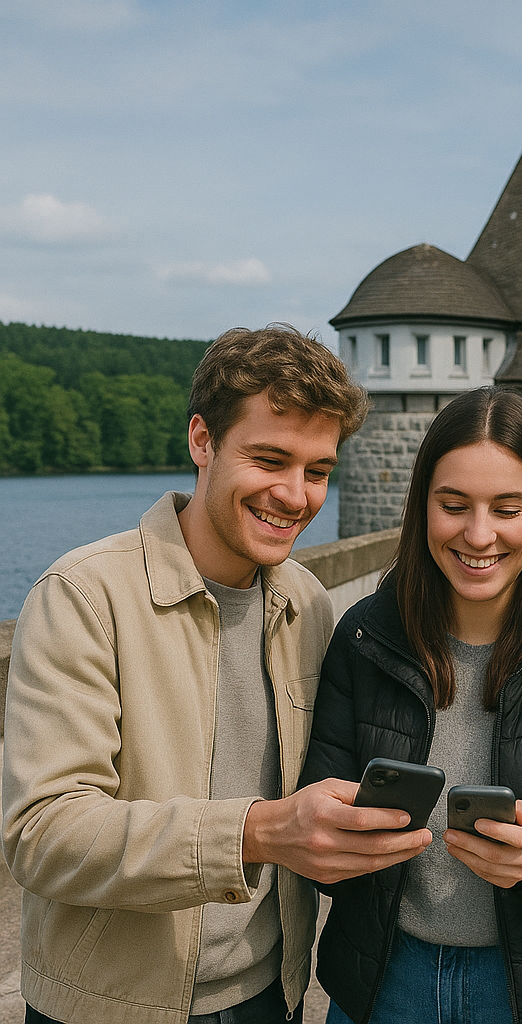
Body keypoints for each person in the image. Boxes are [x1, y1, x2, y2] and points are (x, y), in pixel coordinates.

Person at [2, 324, 434, 1024]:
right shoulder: (83, 595)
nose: (295, 496)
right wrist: (256, 833)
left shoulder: (307, 603)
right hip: (110, 1010)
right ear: (202, 441)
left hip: (271, 996)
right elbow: (43, 835)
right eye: (269, 459)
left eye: (318, 470)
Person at [299, 385, 522, 1024]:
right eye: (454, 505)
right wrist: (332, 844)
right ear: (422, 508)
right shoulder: (363, 637)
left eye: (507, 506)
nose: (479, 534)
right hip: (388, 984)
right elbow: (320, 841)